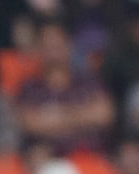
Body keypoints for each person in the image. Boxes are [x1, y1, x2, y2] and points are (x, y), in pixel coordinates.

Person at [15, 18, 115, 155]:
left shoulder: (89, 82)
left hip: (91, 156)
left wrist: (53, 116)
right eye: (47, 46)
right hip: (47, 160)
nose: (53, 52)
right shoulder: (29, 87)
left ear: (69, 46)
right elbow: (31, 125)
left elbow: (104, 115)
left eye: (57, 46)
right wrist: (83, 115)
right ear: (38, 49)